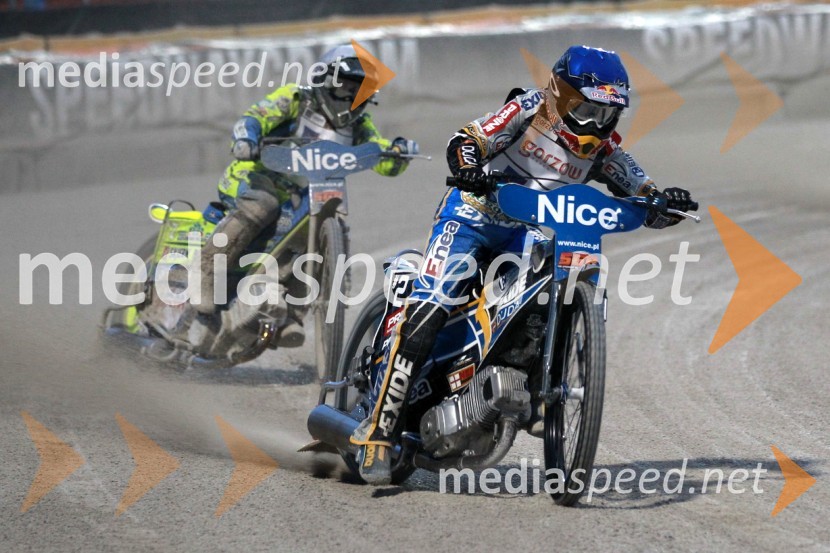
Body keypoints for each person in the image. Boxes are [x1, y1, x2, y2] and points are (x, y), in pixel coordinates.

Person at [350, 45, 697, 484]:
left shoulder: (605, 150)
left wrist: (665, 203)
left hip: (522, 232)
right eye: (587, 110)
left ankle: (528, 388)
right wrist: (469, 166)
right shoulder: (528, 109)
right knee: (434, 301)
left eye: (607, 115)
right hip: (470, 218)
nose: (595, 125)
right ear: (561, 97)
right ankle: (378, 430)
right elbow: (467, 139)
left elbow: (643, 191)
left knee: (545, 280)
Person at [191, 44, 416, 345]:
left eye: (359, 91)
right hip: (255, 177)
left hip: (305, 192)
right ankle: (205, 271)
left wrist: (398, 151)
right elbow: (255, 117)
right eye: (346, 87)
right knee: (263, 205)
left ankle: (290, 311)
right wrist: (247, 137)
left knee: (317, 234)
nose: (352, 97)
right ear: (326, 79)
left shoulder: (358, 124)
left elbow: (379, 156)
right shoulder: (295, 98)